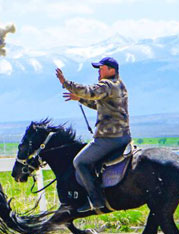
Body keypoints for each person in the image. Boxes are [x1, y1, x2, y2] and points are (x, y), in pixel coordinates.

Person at [55, 57, 131, 212]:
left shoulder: (107, 84)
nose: (99, 71)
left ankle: (95, 200)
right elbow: (100, 104)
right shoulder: (119, 85)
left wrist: (65, 83)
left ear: (112, 70)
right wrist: (80, 99)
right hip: (124, 136)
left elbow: (90, 92)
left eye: (101, 68)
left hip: (108, 139)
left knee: (80, 162)